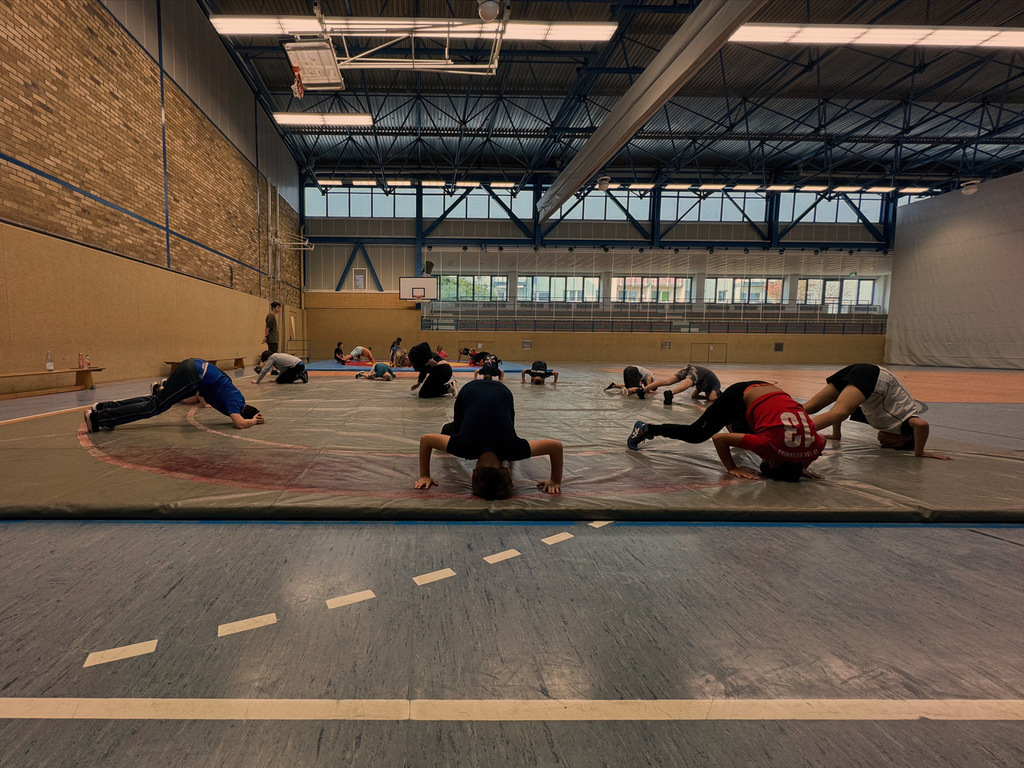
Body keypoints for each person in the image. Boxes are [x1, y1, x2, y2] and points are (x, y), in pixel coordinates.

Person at [626, 381, 824, 481]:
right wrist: (732, 468)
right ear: (771, 461)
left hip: (772, 391)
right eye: (764, 460)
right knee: (697, 434)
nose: (762, 457)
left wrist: (802, 466)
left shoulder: (813, 448)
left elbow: (821, 441)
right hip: (741, 394)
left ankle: (735, 424)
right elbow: (719, 439)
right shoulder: (769, 447)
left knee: (753, 430)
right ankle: (647, 428)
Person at [415, 378, 563, 498]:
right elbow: (426, 440)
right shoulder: (464, 446)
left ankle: (453, 429)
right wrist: (425, 476)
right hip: (471, 391)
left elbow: (555, 447)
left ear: (507, 472)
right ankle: (449, 429)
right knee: (457, 429)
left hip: (501, 392)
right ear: (473, 475)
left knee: (465, 428)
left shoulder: (513, 449)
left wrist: (555, 480)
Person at [802, 364, 950, 459]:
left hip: (859, 370)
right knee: (839, 412)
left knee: (811, 407)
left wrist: (836, 435)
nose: (882, 442)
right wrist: (919, 452)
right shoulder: (903, 424)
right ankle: (795, 433)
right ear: (905, 438)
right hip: (874, 375)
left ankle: (788, 423)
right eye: (893, 445)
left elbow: (842, 410)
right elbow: (922, 425)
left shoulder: (877, 419)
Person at [83, 358, 263, 432]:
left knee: (156, 400)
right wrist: (253, 421)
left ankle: (103, 407)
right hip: (193, 375)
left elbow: (202, 394)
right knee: (154, 407)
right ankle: (99, 419)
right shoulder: (234, 403)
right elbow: (239, 423)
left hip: (194, 367)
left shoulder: (235, 395)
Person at [642, 364, 722, 404]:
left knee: (668, 381)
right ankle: (671, 393)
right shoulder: (716, 385)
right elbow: (712, 398)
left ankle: (643, 390)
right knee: (687, 384)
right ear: (717, 393)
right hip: (699, 371)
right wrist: (715, 398)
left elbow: (693, 395)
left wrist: (704, 397)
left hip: (692, 368)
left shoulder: (705, 387)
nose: (707, 394)